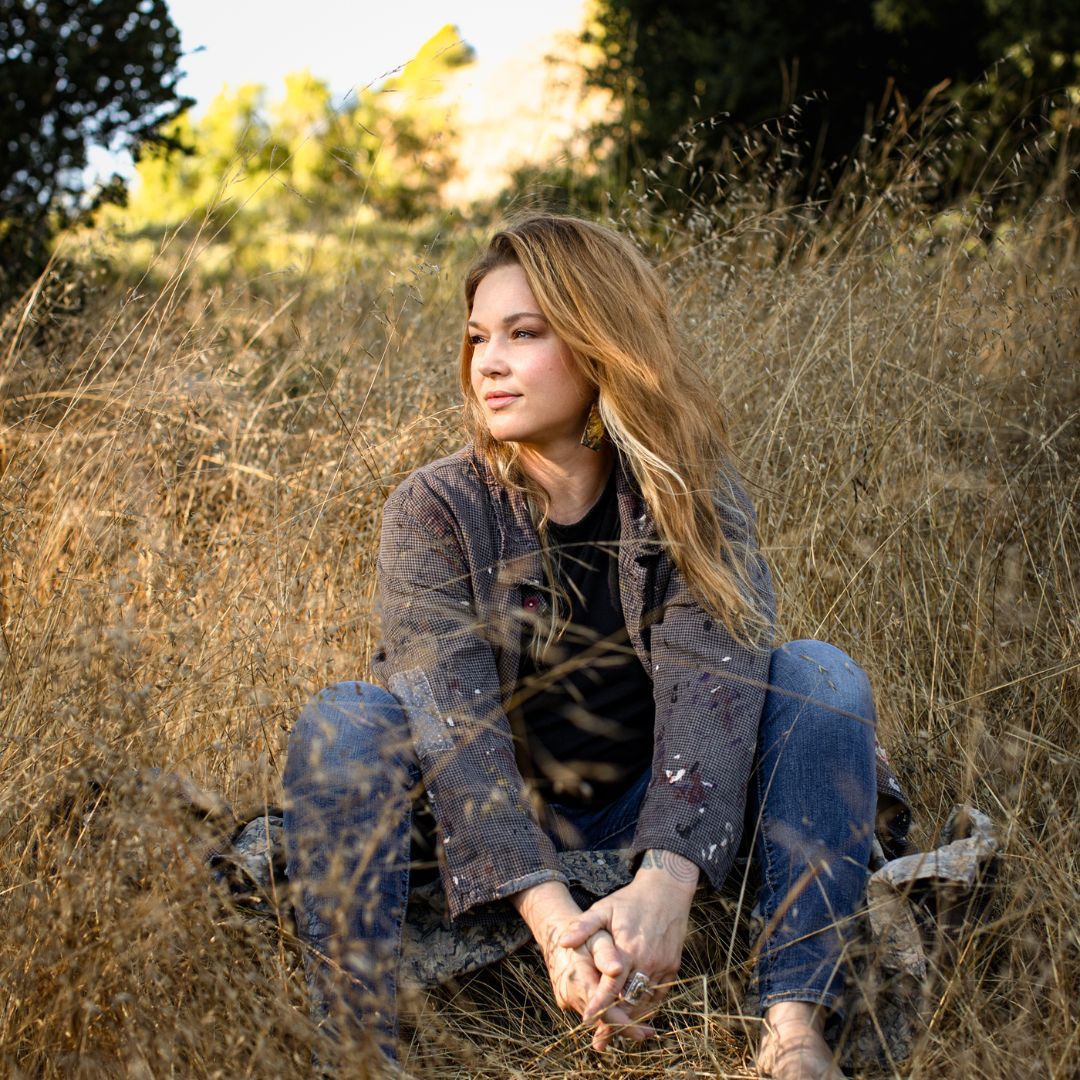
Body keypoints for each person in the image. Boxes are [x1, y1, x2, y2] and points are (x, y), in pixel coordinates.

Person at [283, 215, 911, 1079]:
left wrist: (666, 883)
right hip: (492, 827)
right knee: (345, 719)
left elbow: (715, 692)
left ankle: (794, 1035)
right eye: (477, 338)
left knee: (821, 676)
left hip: (659, 812)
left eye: (523, 334)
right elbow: (450, 728)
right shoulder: (433, 508)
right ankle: (357, 1058)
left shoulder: (689, 493)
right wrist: (555, 928)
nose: (487, 363)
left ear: (598, 344)